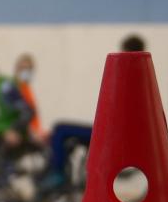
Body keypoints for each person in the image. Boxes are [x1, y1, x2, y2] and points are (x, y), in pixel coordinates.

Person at [39, 33, 149, 190]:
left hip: (113, 134)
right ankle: (58, 172)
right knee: (60, 129)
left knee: (60, 129)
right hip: (117, 131)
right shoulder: (141, 76)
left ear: (126, 51)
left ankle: (58, 174)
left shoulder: (129, 77)